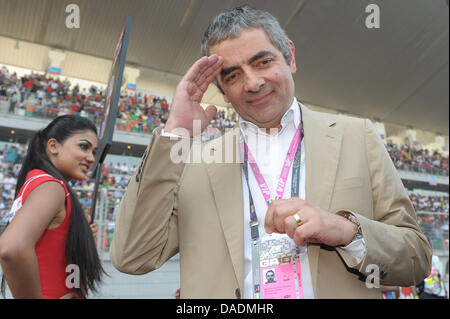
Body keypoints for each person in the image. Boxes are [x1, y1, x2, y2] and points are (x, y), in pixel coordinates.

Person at [110, 6, 432, 298]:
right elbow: (132, 256)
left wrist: (346, 231)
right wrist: (175, 132)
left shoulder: (357, 136)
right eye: (233, 75)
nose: (252, 83)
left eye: (263, 62)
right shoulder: (195, 161)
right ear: (222, 91)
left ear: (289, 56)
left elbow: (416, 259)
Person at [0, 115, 105, 299]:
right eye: (84, 146)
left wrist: (79, 235)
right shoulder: (51, 187)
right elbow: (12, 248)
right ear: (53, 146)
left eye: (94, 152)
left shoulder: (37, 181)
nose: (91, 158)